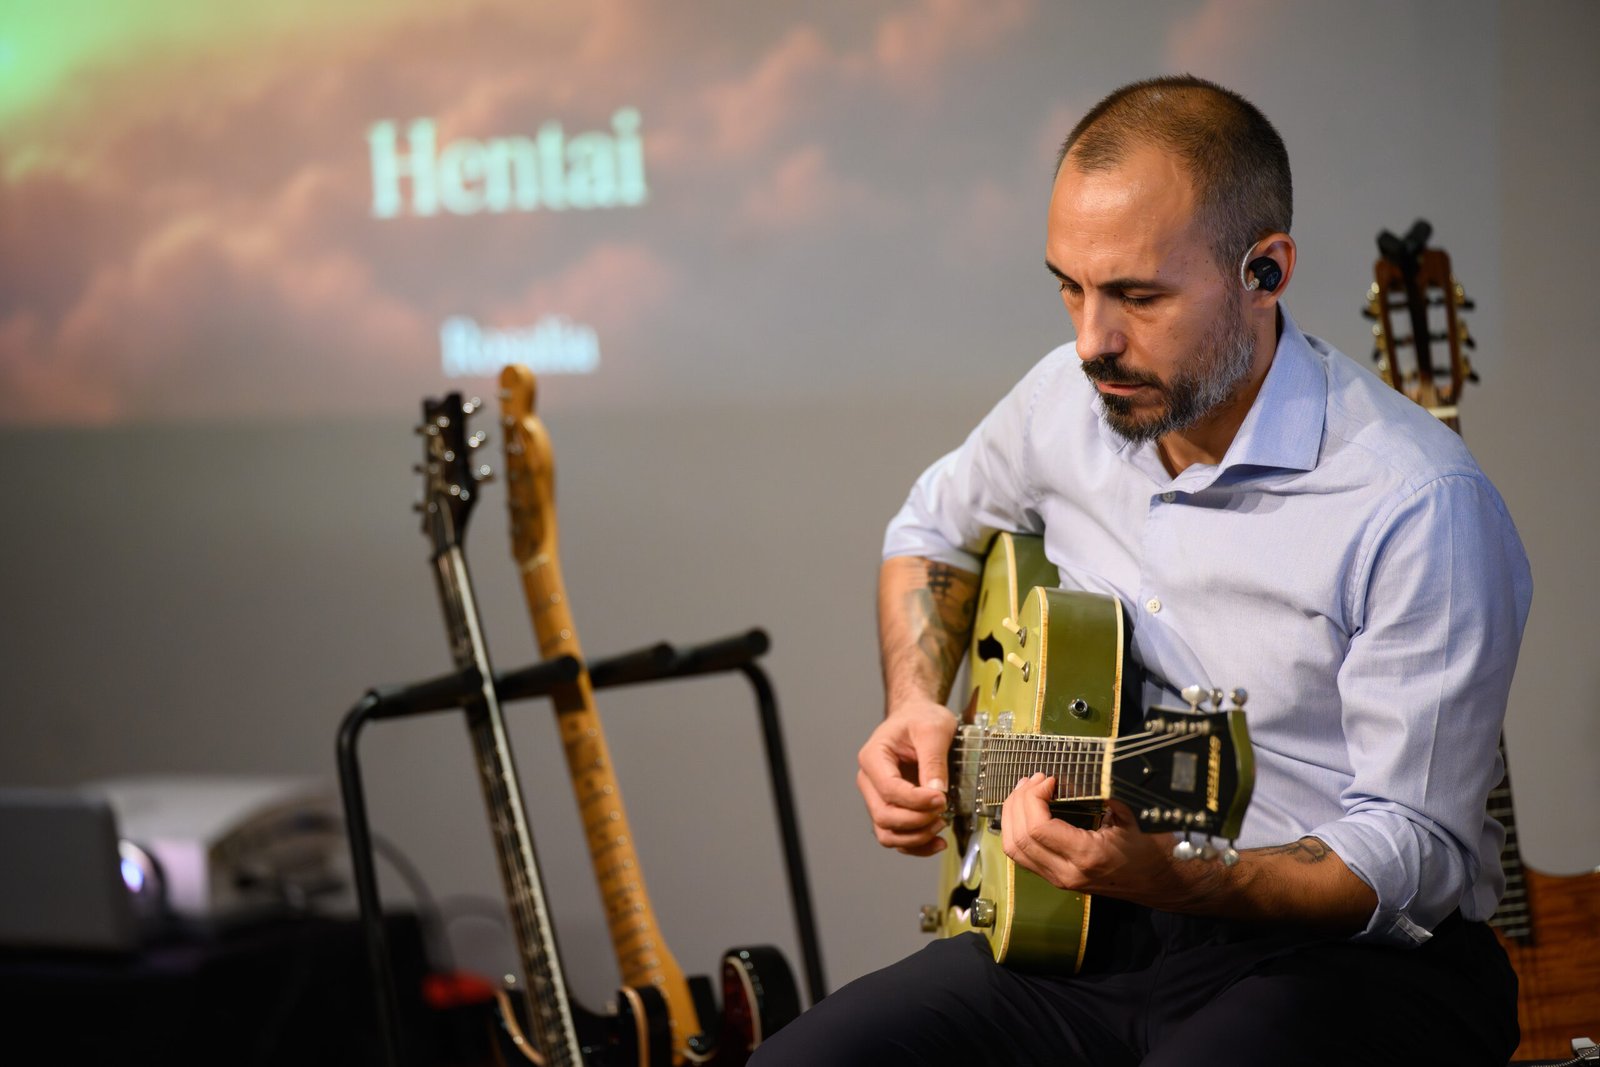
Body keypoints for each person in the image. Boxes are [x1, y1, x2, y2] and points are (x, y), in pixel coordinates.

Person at [750, 75, 1531, 1066]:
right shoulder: (1062, 404)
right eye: (1068, 287)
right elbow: (930, 531)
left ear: (1265, 271)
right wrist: (913, 700)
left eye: (1136, 295)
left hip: (1349, 961)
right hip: (1081, 933)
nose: (1090, 341)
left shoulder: (1415, 501)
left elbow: (1414, 850)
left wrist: (1201, 879)